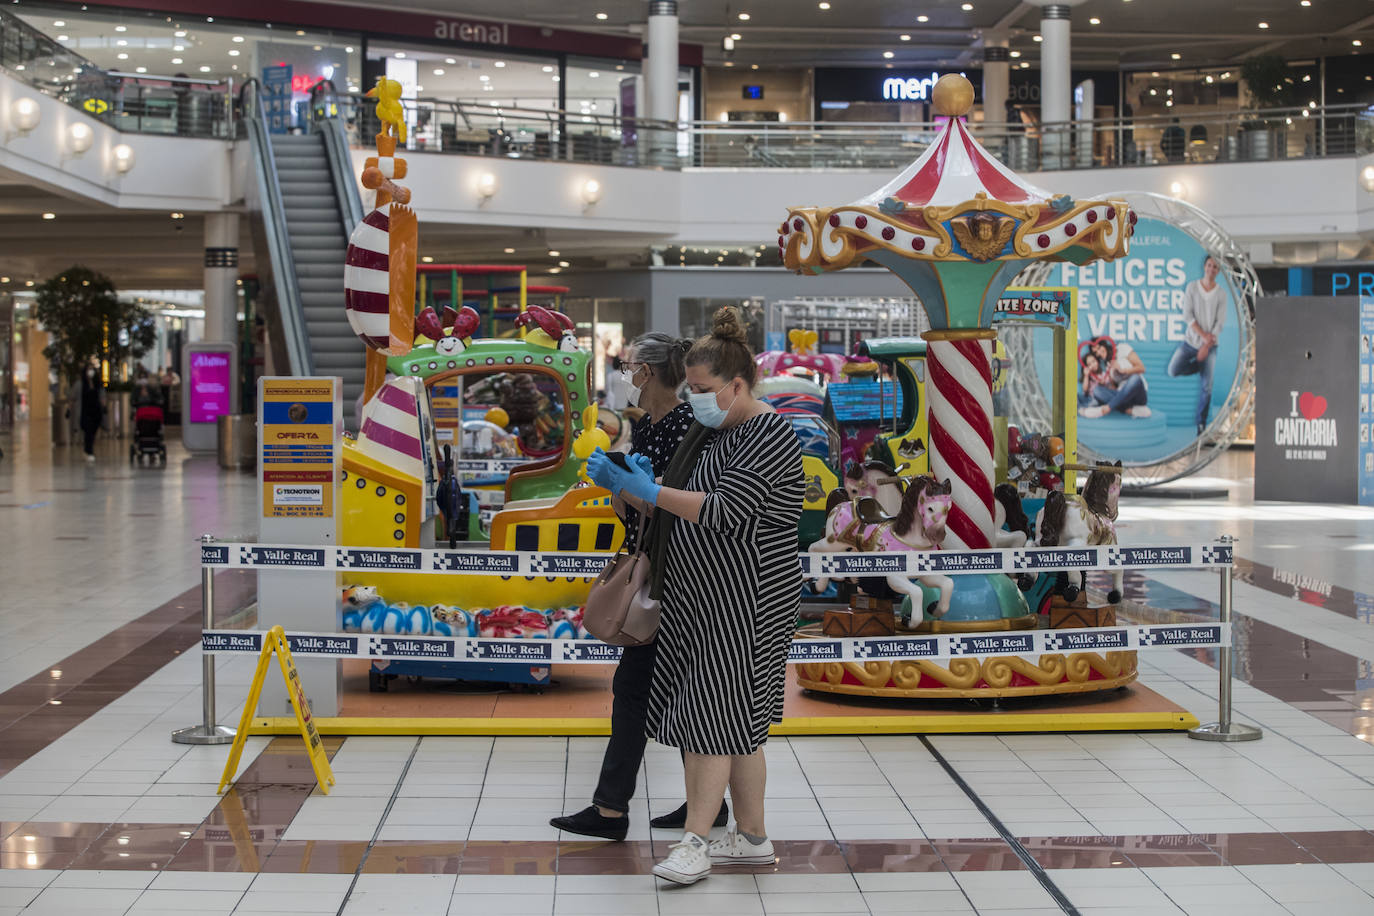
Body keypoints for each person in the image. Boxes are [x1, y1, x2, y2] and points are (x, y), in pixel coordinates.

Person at [587, 307, 804, 886]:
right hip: (703, 596)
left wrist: (648, 488)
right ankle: (753, 837)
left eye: (705, 390)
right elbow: (678, 508)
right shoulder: (718, 431)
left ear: (737, 385)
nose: (696, 401)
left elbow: (727, 512)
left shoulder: (769, 434)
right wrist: (626, 488)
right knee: (739, 722)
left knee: (711, 719)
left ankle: (695, 843)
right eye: (691, 389)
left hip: (745, 599)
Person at [550, 333, 710, 841]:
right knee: (674, 689)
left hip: (676, 576)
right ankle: (706, 802)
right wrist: (614, 484)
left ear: (652, 371)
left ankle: (612, 810)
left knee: (637, 688)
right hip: (653, 568)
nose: (627, 377)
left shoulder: (688, 428)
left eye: (631, 367)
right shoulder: (649, 429)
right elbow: (636, 508)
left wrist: (629, 487)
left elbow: (674, 508)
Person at [1167, 255, 1226, 435]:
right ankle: (1200, 366)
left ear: (1218, 271)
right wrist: (1202, 339)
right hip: (1191, 341)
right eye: (1209, 265)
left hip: (1210, 346)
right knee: (1173, 369)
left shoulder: (1221, 294)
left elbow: (1220, 323)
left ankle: (1201, 424)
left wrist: (1206, 346)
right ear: (1204, 266)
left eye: (1215, 267)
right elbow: (1187, 316)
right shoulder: (1192, 287)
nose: (1211, 269)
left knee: (1207, 387)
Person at [1078, 335, 1150, 419]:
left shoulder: (1122, 348)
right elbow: (1114, 389)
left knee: (1135, 378)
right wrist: (1104, 384)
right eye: (1095, 353)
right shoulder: (1107, 366)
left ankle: (1105, 409)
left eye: (1098, 348)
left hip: (1138, 394)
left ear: (1104, 344)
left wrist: (1123, 370)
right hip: (1123, 397)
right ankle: (1130, 410)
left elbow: (1142, 368)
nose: (1098, 353)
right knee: (1097, 390)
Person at [78, 364, 104, 462]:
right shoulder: (81, 384)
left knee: (93, 432)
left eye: (92, 369)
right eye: (89, 369)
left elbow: (101, 394)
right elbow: (74, 396)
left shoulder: (97, 383)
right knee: (88, 432)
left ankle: (88, 449)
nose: (91, 371)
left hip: (96, 412)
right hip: (85, 412)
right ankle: (89, 451)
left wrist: (103, 404)